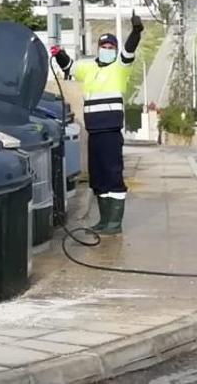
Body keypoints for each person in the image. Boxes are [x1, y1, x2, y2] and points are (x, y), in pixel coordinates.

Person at [51, 13, 144, 234]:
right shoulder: (88, 67)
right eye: (105, 45)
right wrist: (59, 54)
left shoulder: (120, 66)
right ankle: (103, 220)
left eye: (111, 46)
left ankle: (115, 222)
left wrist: (137, 31)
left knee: (113, 174)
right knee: (98, 176)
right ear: (99, 47)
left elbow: (130, 49)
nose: (108, 48)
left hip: (111, 131)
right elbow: (70, 67)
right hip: (94, 131)